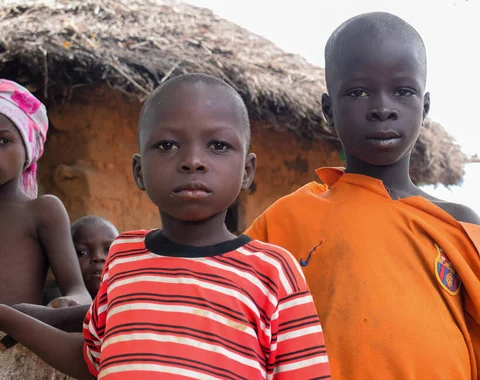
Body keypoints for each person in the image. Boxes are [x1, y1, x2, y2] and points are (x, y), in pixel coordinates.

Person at [245, 12, 480, 379]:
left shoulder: (457, 224)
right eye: (358, 91)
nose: (382, 108)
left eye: (403, 91)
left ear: (424, 109)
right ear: (328, 110)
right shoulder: (287, 220)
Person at [0, 73, 330, 379]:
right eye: (167, 145)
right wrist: (9, 316)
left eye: (217, 145)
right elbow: (94, 359)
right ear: (139, 172)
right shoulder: (124, 257)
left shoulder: (273, 272)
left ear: (247, 170)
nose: (193, 160)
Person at [0, 79, 91, 308]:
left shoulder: (41, 212)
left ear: (28, 148)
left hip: (15, 342)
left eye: (3, 140)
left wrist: (69, 302)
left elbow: (78, 291)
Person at [4, 216, 119, 338]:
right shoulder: (54, 300)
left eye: (109, 250)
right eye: (82, 252)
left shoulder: (130, 297)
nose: (98, 257)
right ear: (63, 260)